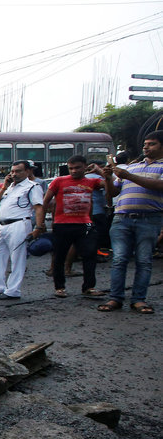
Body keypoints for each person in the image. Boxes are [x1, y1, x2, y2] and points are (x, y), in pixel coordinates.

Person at [98, 131, 163, 314]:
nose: (146, 147)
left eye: (152, 144)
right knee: (119, 259)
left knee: (144, 260)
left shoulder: (135, 171)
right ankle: (115, 298)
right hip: (122, 218)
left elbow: (159, 186)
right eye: (145, 144)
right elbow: (113, 193)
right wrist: (108, 178)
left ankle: (139, 299)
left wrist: (128, 176)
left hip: (149, 219)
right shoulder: (132, 168)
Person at [0, 161, 46, 300]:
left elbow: (39, 207)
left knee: (17, 258)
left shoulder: (32, 187)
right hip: (3, 225)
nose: (14, 174)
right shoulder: (10, 187)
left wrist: (39, 227)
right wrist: (4, 186)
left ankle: (13, 290)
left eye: (18, 171)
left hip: (19, 224)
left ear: (28, 171)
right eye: (12, 171)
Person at [43, 155, 105, 298]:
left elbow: (113, 185)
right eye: (71, 168)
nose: (74, 171)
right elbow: (46, 200)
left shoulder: (92, 181)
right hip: (62, 224)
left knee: (89, 255)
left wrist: (100, 171)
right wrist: (41, 223)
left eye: (77, 168)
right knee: (59, 256)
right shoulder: (59, 181)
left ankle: (89, 287)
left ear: (85, 167)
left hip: (85, 224)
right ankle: (59, 287)